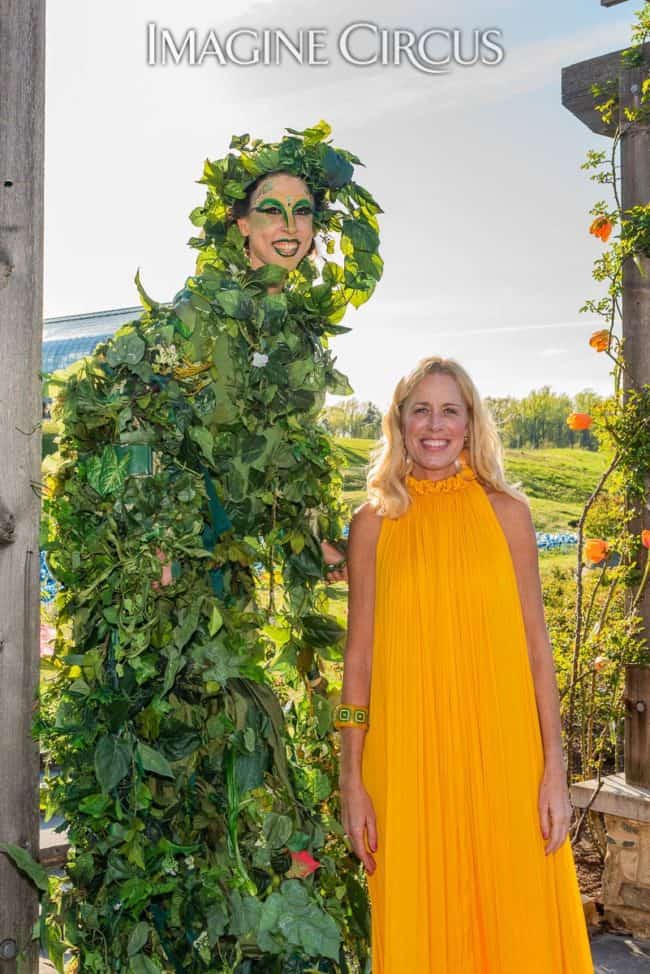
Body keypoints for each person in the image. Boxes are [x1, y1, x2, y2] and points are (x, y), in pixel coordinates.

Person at [41, 122, 381, 972]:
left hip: (225, 607)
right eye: (272, 207)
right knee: (161, 799)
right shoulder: (191, 319)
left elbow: (288, 464)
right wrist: (156, 536)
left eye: (304, 212)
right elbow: (98, 411)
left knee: (237, 794)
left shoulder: (298, 338)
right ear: (238, 222)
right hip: (162, 604)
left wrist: (317, 540)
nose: (290, 225)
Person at [335, 355, 594, 972]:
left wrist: (553, 771)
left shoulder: (509, 514)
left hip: (504, 760)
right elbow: (358, 661)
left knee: (517, 926)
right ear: (398, 422)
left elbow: (538, 649)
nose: (434, 423)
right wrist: (352, 777)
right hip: (406, 764)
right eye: (420, 408)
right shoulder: (371, 524)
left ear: (471, 422)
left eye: (450, 409)